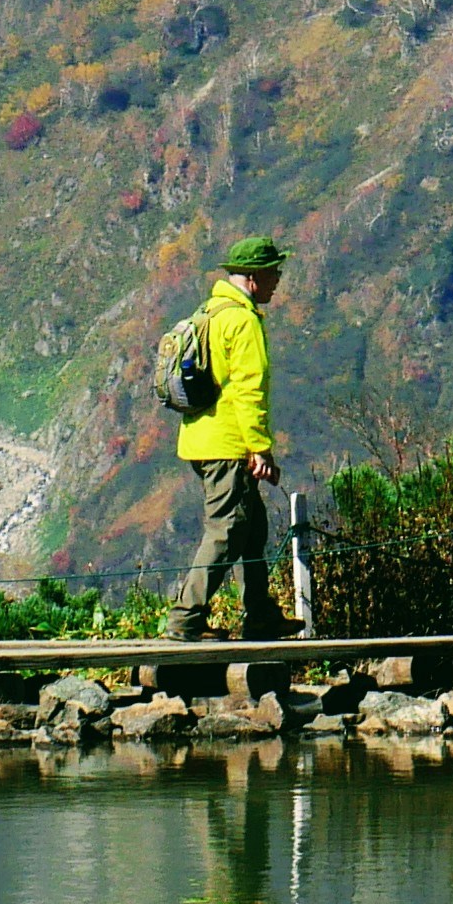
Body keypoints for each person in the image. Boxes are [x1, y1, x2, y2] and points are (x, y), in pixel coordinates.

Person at [164, 235, 291, 643]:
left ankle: (261, 614)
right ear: (253, 277)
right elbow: (248, 389)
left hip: (200, 440)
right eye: (273, 272)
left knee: (252, 528)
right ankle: (185, 619)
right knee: (227, 529)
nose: (277, 280)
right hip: (228, 445)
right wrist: (260, 447)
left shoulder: (209, 312)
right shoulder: (243, 321)